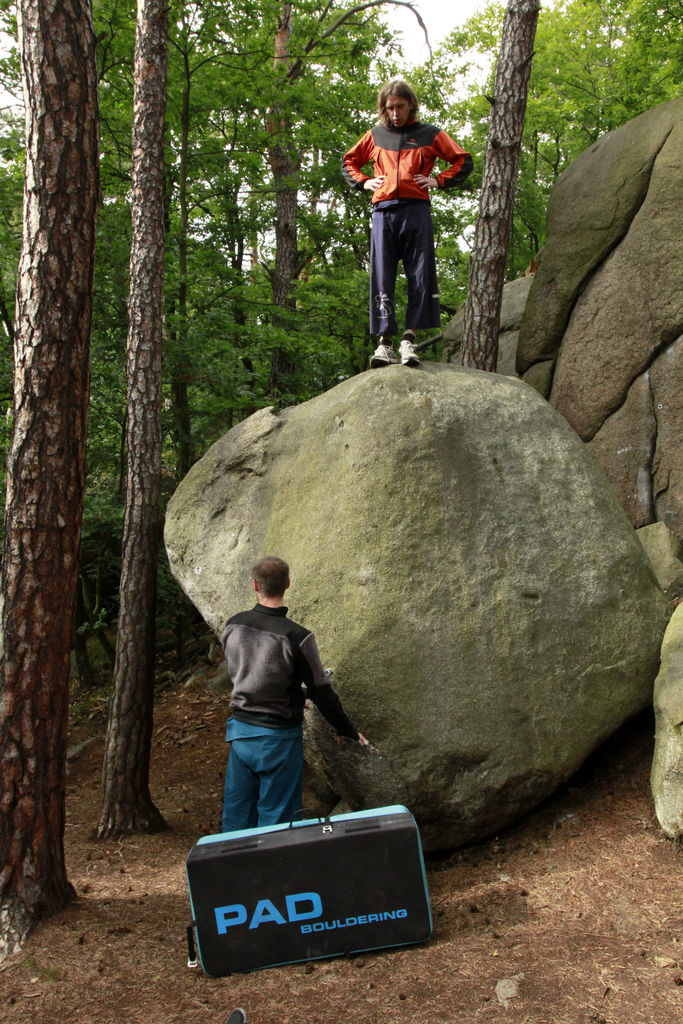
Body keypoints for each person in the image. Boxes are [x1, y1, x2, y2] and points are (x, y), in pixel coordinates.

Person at [220, 555, 367, 832]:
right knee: (277, 821)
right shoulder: (297, 637)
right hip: (278, 739)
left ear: (255, 585)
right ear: (287, 584)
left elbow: (247, 670)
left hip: (241, 734)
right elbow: (321, 690)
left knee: (237, 816)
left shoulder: (233, 626)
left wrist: (290, 694)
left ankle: (235, 873)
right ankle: (275, 874)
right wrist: (345, 728)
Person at [342, 78, 473, 368]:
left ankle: (408, 341)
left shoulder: (430, 134)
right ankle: (384, 344)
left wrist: (438, 181)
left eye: (400, 106)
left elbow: (463, 160)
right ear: (384, 109)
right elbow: (348, 161)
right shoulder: (375, 136)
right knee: (381, 274)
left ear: (411, 105)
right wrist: (364, 182)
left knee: (420, 275)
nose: (395, 113)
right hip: (383, 211)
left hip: (416, 211)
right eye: (390, 108)